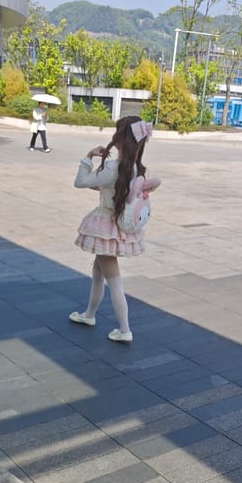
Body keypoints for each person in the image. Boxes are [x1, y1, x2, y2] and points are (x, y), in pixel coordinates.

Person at [70, 115, 154, 343]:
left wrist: (88, 157)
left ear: (120, 139)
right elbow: (117, 190)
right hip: (117, 226)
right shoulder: (136, 168)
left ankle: (125, 329)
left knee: (114, 282)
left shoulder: (113, 167)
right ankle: (89, 314)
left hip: (105, 226)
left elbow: (79, 182)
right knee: (98, 273)